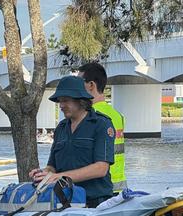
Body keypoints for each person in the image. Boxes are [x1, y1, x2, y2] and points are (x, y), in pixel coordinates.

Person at [29, 76, 115, 208]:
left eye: (65, 101)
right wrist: (43, 174)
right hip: (65, 202)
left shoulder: (101, 124)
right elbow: (53, 166)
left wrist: (59, 177)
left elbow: (101, 168)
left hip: (95, 203)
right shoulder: (61, 128)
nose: (61, 106)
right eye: (59, 101)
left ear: (81, 101)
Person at [78, 62, 127, 193]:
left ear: (91, 85)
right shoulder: (117, 115)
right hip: (119, 187)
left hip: (100, 187)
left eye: (79, 82)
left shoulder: (88, 115)